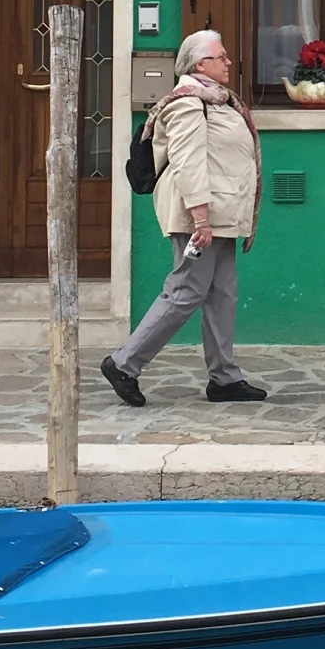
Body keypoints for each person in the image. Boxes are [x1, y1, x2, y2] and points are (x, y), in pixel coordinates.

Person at [99, 28, 266, 409]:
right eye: (220, 57)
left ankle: (224, 377)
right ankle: (124, 364)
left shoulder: (219, 101)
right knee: (185, 291)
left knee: (222, 293)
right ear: (199, 64)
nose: (227, 62)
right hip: (199, 216)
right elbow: (189, 162)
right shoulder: (188, 103)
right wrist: (200, 219)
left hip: (219, 214)